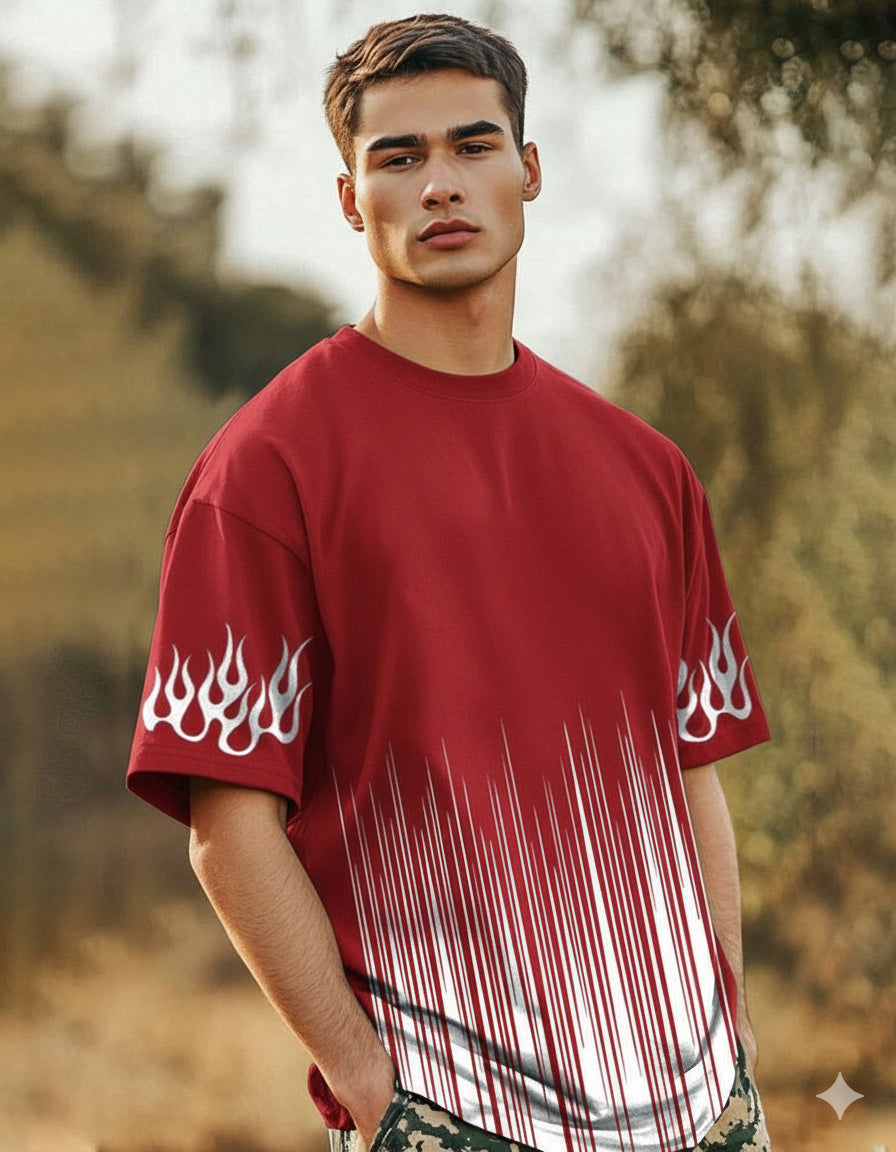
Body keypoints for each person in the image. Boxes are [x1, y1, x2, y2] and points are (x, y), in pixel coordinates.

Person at [127, 14, 774, 1152]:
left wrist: (725, 1046)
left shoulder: (645, 471)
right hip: (449, 1118)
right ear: (347, 198)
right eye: (397, 157)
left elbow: (688, 777)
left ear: (527, 173)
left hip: (694, 1115)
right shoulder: (265, 471)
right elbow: (229, 826)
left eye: (472, 147)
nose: (440, 185)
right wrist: (374, 1092)